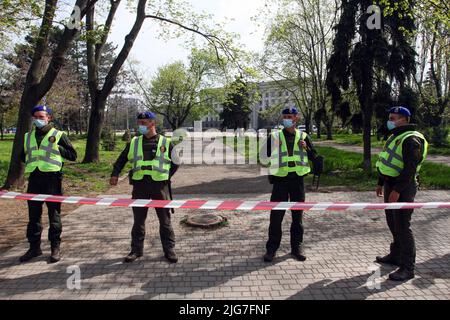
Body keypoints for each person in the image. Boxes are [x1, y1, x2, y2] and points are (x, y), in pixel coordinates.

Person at [110, 112, 179, 263]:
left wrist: (166, 177)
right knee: (138, 220)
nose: (140, 125)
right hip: (140, 186)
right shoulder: (134, 142)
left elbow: (176, 162)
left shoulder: (166, 142)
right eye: (139, 122)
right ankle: (136, 250)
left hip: (160, 187)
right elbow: (121, 159)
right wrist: (115, 174)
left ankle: (169, 250)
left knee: (165, 221)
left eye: (143, 122)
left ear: (152, 123)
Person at [375, 106, 428, 281]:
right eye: (389, 118)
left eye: (393, 118)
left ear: (404, 119)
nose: (390, 121)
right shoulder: (395, 136)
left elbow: (410, 170)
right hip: (391, 184)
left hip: (403, 187)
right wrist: (381, 182)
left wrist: (397, 191)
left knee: (403, 227)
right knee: (392, 222)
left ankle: (408, 268)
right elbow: (387, 161)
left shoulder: (411, 139)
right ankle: (396, 255)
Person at [19, 105, 77, 263]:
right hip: (34, 180)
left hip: (52, 179)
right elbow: (23, 157)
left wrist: (57, 149)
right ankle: (34, 248)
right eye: (36, 117)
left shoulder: (58, 135)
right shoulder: (27, 136)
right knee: (34, 216)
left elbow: (73, 155)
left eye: (41, 117)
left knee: (54, 216)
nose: (38, 119)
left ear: (49, 118)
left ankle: (55, 248)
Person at [263, 107, 317, 262]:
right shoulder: (274, 136)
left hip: (297, 181)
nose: (286, 119)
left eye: (289, 116)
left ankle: (296, 248)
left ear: (296, 118)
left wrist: (306, 147)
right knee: (276, 217)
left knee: (297, 217)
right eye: (284, 116)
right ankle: (271, 249)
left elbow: (314, 156)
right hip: (280, 181)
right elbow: (263, 156)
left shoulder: (304, 136)